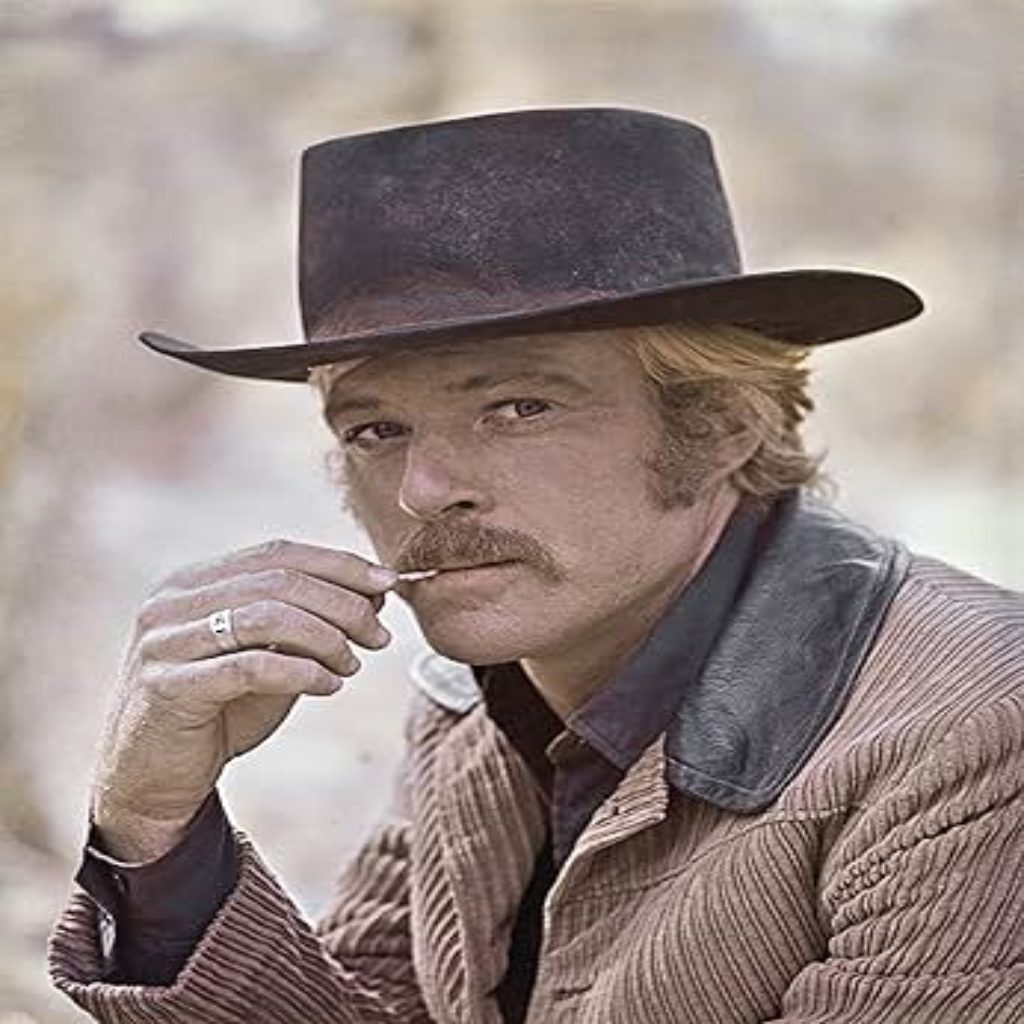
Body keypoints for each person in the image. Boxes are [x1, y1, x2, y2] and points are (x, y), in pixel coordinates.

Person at [49, 108, 1023, 1023]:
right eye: (375, 428)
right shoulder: (475, 703)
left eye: (519, 408)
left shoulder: (975, 734)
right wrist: (153, 827)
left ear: (724, 422)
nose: (424, 490)